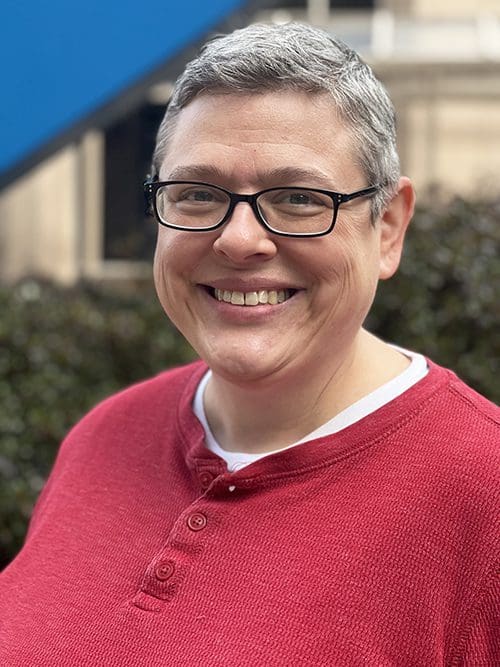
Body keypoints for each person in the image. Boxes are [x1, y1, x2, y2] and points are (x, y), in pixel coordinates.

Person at [0, 22, 498, 666]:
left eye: (297, 198)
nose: (239, 240)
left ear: (388, 230)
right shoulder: (104, 434)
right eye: (198, 194)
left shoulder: (481, 497)